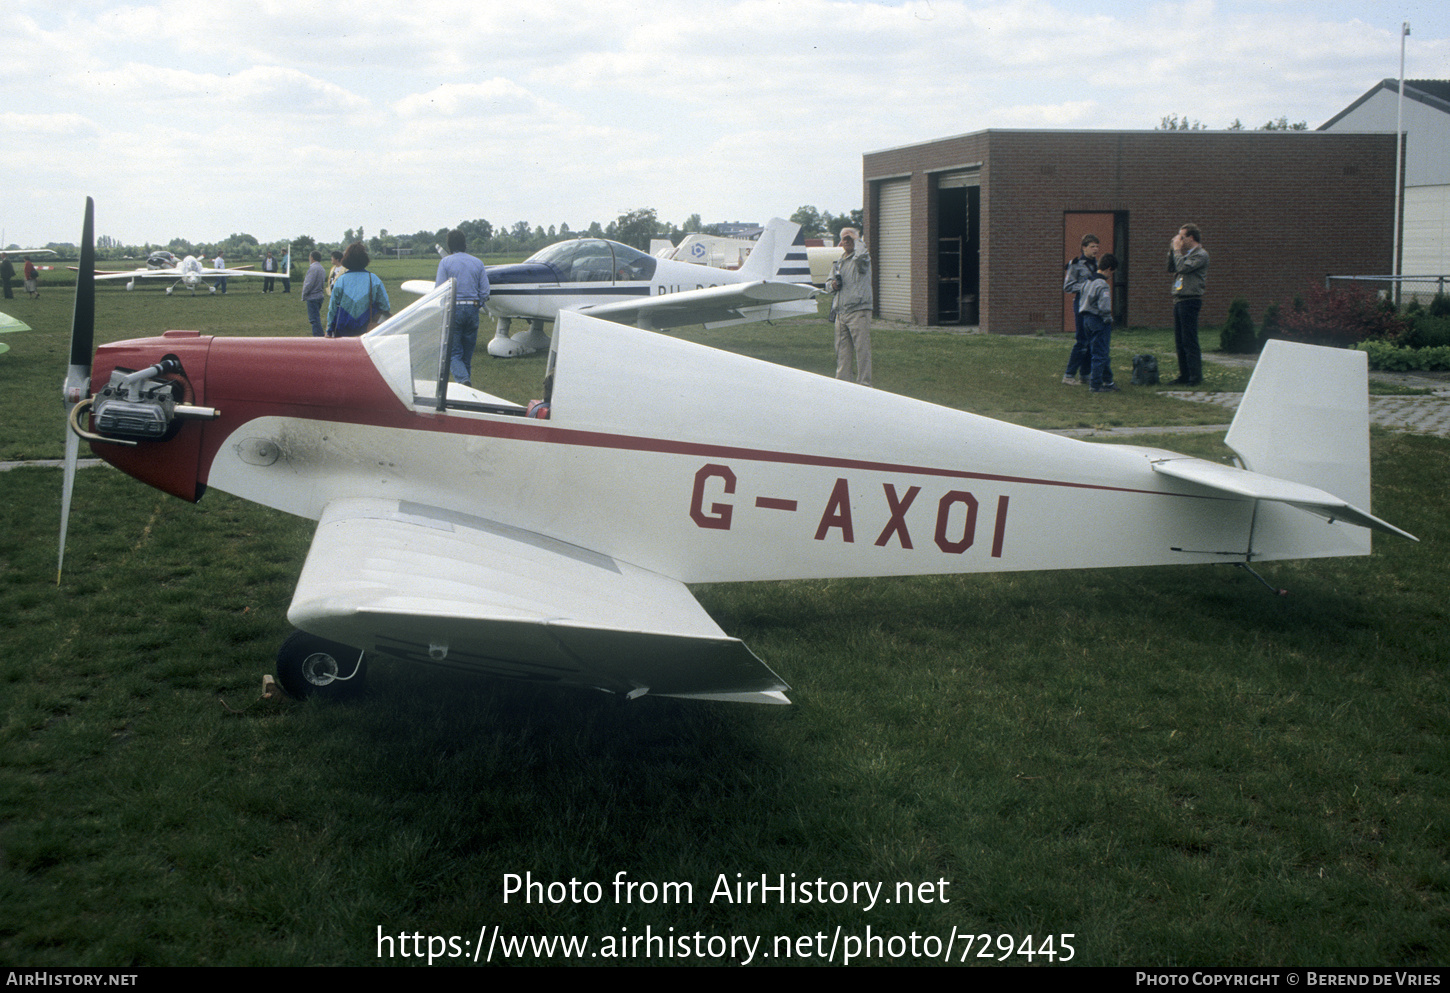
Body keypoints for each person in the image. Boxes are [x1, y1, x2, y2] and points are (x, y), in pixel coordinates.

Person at [434, 229, 491, 386]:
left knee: (452, 353)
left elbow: (440, 290)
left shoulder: (445, 262)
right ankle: (466, 388)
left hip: (455, 310)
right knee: (466, 355)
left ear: (450, 245)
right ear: (464, 243)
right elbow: (485, 291)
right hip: (473, 309)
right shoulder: (478, 263)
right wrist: (477, 303)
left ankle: (463, 380)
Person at [829, 227, 872, 386]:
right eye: (844, 239)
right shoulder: (838, 262)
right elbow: (828, 284)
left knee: (862, 351)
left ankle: (865, 384)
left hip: (858, 311)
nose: (846, 241)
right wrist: (832, 285)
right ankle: (842, 384)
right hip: (841, 313)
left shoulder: (861, 259)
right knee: (842, 352)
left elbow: (861, 254)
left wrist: (857, 238)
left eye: (850, 238)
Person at [1167, 223, 1209, 385]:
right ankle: (1184, 375)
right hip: (1179, 300)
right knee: (1180, 340)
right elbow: (1172, 267)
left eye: (1182, 237)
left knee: (1189, 340)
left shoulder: (1201, 255)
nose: (1180, 240)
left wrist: (1177, 251)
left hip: (1190, 300)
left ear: (1191, 237)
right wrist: (1172, 249)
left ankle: (1195, 377)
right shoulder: (1187, 255)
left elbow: (1183, 268)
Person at [326, 242, 389, 337]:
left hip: (343, 330)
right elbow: (385, 306)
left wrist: (329, 330)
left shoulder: (340, 280)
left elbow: (332, 309)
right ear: (365, 259)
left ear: (346, 259)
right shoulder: (374, 279)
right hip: (368, 330)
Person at [1061, 234, 1100, 384]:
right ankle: (1069, 375)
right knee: (1082, 340)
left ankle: (1085, 374)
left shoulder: (1097, 264)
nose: (1095, 249)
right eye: (1092, 247)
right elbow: (1068, 286)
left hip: (1094, 305)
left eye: (1097, 246)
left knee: (1091, 340)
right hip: (1081, 303)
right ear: (1084, 248)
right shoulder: (1076, 264)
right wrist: (1085, 286)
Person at [1081, 253, 1119, 393]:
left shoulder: (1087, 281)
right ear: (1109, 268)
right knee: (1100, 354)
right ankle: (1095, 385)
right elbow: (1104, 307)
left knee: (1099, 351)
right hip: (1098, 320)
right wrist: (1109, 320)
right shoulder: (1102, 285)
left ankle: (1108, 381)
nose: (1111, 275)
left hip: (1086, 319)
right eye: (1112, 272)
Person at [302, 251, 327, 336]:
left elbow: (309, 283)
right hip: (319, 296)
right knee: (316, 317)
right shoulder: (321, 268)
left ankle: (318, 337)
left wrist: (304, 294)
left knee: (314, 319)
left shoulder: (313, 268)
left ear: (312, 258)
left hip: (312, 297)